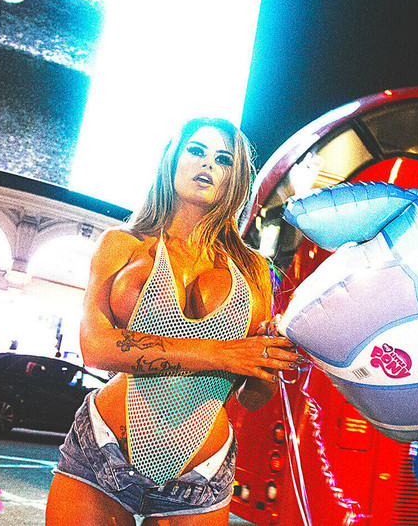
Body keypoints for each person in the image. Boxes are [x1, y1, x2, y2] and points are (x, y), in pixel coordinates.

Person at [45, 118, 301, 526]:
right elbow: (96, 348)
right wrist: (223, 354)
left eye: (223, 159)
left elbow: (252, 397)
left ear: (235, 178)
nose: (208, 164)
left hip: (200, 479)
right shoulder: (121, 244)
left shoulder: (254, 269)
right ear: (172, 160)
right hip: (101, 454)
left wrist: (268, 362)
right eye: (196, 151)